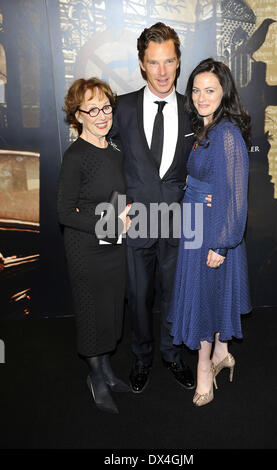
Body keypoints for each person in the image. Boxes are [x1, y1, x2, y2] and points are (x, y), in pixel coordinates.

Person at [113, 22, 203, 393]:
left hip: (179, 220)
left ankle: (171, 355)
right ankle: (142, 357)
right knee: (138, 295)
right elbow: (105, 162)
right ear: (141, 64)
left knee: (173, 294)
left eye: (169, 61)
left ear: (179, 62)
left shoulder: (193, 109)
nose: (162, 71)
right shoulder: (120, 108)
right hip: (135, 220)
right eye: (154, 62)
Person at [168, 58, 252, 407]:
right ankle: (221, 353)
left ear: (224, 93)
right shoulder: (205, 129)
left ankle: (204, 368)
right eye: (197, 90)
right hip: (197, 223)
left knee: (204, 299)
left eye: (210, 90)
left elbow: (236, 194)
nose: (202, 97)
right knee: (212, 295)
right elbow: (209, 176)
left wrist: (222, 243)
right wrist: (195, 184)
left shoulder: (226, 133)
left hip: (213, 230)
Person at [57, 78, 131, 414]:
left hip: (113, 246)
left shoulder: (114, 148)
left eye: (106, 107)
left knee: (111, 310)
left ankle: (106, 370)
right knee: (92, 312)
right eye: (92, 109)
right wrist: (109, 224)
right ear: (78, 116)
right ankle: (96, 377)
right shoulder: (75, 157)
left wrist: (125, 214)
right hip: (85, 249)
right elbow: (64, 212)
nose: (101, 115)